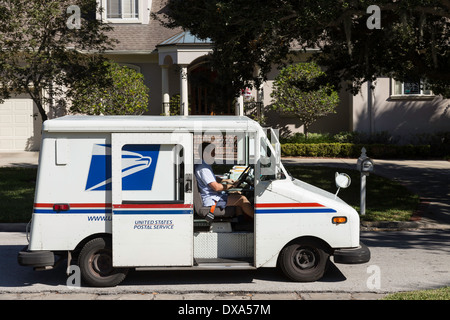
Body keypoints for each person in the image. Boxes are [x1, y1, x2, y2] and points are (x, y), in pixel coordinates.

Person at [194, 142, 254, 219]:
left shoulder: (204, 165)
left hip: (214, 196)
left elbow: (211, 178)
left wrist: (225, 180)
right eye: (213, 152)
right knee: (242, 199)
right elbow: (216, 187)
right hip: (212, 200)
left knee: (237, 193)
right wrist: (231, 186)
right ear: (206, 153)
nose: (214, 155)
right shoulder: (203, 168)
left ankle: (240, 220)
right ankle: (256, 222)